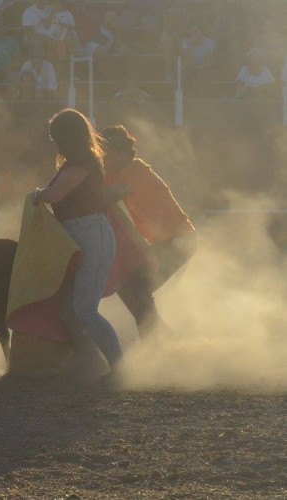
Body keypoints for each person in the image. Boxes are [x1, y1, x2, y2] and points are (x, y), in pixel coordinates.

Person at [31, 108, 122, 379]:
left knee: (84, 311)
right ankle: (89, 362)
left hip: (90, 237)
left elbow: (55, 195)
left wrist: (36, 195)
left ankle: (120, 369)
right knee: (72, 307)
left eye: (56, 138)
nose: (55, 144)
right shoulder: (80, 162)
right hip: (85, 237)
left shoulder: (82, 163)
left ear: (66, 137)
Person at [101, 125, 197, 339]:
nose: (102, 158)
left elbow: (107, 196)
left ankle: (157, 341)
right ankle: (162, 339)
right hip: (167, 241)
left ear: (122, 154)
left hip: (179, 240)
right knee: (133, 290)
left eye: (106, 153)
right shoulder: (116, 173)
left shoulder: (135, 171)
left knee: (135, 290)